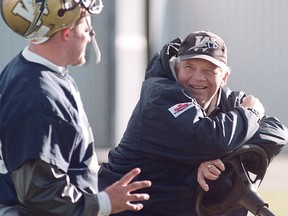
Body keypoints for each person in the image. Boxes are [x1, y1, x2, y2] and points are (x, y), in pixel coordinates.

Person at [98, 30, 288, 215]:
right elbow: (210, 139)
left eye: (209, 70)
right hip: (128, 208)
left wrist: (219, 159)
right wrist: (251, 113)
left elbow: (278, 132)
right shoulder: (161, 96)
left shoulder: (229, 101)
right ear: (176, 67)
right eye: (189, 67)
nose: (198, 78)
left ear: (224, 77)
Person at [0, 1, 151, 215]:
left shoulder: (38, 71)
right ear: (67, 32)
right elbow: (40, 193)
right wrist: (105, 202)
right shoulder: (39, 96)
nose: (90, 34)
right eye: (86, 24)